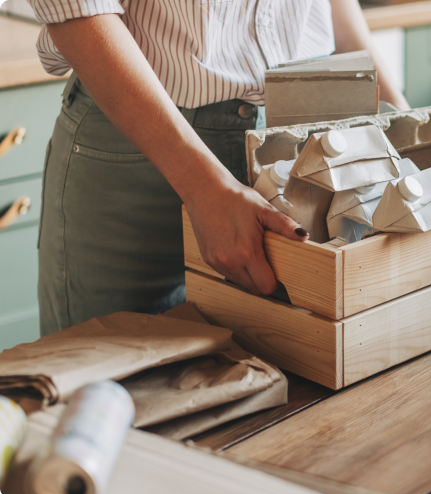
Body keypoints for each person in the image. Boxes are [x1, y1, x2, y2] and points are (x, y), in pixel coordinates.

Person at [28, 0, 410, 335]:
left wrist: (401, 120)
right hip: (139, 150)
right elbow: (77, 9)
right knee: (106, 395)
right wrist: (202, 187)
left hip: (299, 140)